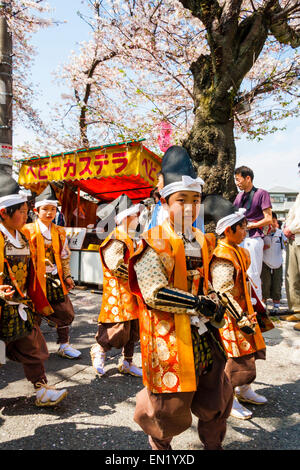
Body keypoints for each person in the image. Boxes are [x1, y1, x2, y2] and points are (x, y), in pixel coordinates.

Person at [129, 145, 233, 451]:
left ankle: (213, 445)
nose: (189, 207)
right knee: (168, 410)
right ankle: (161, 449)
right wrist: (198, 303)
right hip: (170, 337)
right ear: (164, 202)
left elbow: (212, 279)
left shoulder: (203, 240)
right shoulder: (153, 240)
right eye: (181, 201)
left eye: (195, 201)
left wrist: (217, 299)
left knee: (217, 396)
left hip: (204, 334)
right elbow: (154, 292)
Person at [0, 172, 68, 406]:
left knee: (32, 343)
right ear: (3, 213)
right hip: (1, 305)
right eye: (20, 211)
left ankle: (41, 389)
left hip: (18, 305)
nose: (25, 214)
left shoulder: (22, 237)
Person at [210, 205, 273, 420]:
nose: (245, 232)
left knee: (250, 352)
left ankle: (244, 390)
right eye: (242, 228)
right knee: (234, 358)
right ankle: (229, 399)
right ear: (228, 230)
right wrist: (239, 316)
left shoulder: (238, 249)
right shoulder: (221, 256)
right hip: (230, 316)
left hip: (245, 311)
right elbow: (223, 293)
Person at [23, 185, 81, 360]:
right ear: (36, 210)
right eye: (45, 209)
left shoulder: (59, 231)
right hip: (34, 279)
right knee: (33, 314)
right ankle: (32, 349)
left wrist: (68, 276)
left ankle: (64, 345)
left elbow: (64, 257)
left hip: (54, 278)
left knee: (65, 312)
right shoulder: (27, 230)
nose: (49, 213)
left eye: (53, 209)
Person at [90, 197, 143, 377]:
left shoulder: (128, 237)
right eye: (136, 215)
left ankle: (127, 362)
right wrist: (139, 276)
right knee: (116, 329)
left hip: (131, 291)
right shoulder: (116, 238)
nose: (138, 218)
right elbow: (116, 265)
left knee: (133, 328)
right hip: (119, 292)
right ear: (126, 217)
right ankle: (99, 351)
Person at [234, 166, 272, 301]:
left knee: (253, 273)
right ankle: (244, 305)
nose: (237, 183)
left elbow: (268, 219)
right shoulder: (239, 196)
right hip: (240, 238)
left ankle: (257, 307)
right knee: (240, 272)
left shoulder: (262, 193)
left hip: (254, 237)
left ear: (248, 178)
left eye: (238, 180)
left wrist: (252, 225)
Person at [280, 163, 300, 332]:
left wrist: (291, 228)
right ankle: (297, 310)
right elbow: (292, 214)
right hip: (293, 238)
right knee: (292, 277)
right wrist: (287, 227)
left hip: (296, 234)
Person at [261, 212, 287, 311]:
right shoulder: (262, 234)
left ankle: (276, 306)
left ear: (277, 222)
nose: (271, 224)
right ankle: (263, 304)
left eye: (274, 221)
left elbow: (285, 246)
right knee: (265, 284)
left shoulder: (280, 234)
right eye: (269, 221)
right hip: (265, 262)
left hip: (278, 263)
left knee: (277, 284)